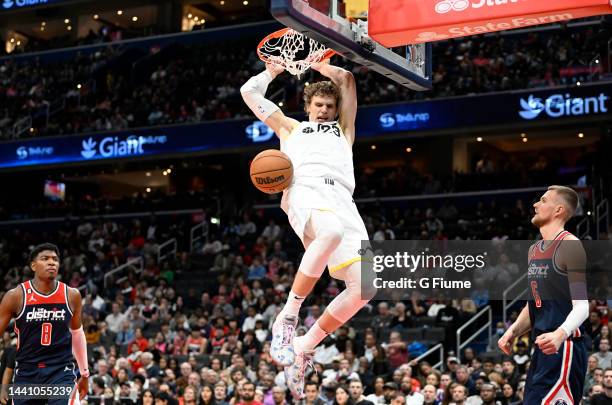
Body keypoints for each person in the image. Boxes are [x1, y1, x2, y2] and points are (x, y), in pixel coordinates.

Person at [241, 59, 375, 400]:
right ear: (307, 106)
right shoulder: (289, 128)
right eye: (319, 105)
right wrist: (275, 69)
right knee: (327, 232)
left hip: (344, 200)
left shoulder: (344, 129)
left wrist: (316, 61)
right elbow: (248, 91)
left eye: (330, 106)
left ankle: (303, 346)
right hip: (306, 191)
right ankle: (287, 318)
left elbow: (346, 79)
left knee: (365, 287)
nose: (326, 110)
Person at [498, 186, 588, 404]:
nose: (536, 205)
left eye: (543, 200)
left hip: (564, 347)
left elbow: (583, 306)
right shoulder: (534, 250)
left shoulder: (570, 245)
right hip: (542, 349)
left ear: (558, 210)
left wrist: (560, 334)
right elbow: (535, 303)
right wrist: (513, 331)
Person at [0, 243, 89, 404]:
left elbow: (77, 333)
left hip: (60, 371)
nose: (51, 262)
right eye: (45, 259)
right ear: (33, 266)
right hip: (26, 372)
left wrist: (84, 373)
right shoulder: (16, 296)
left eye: (55, 259)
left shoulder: (71, 295)